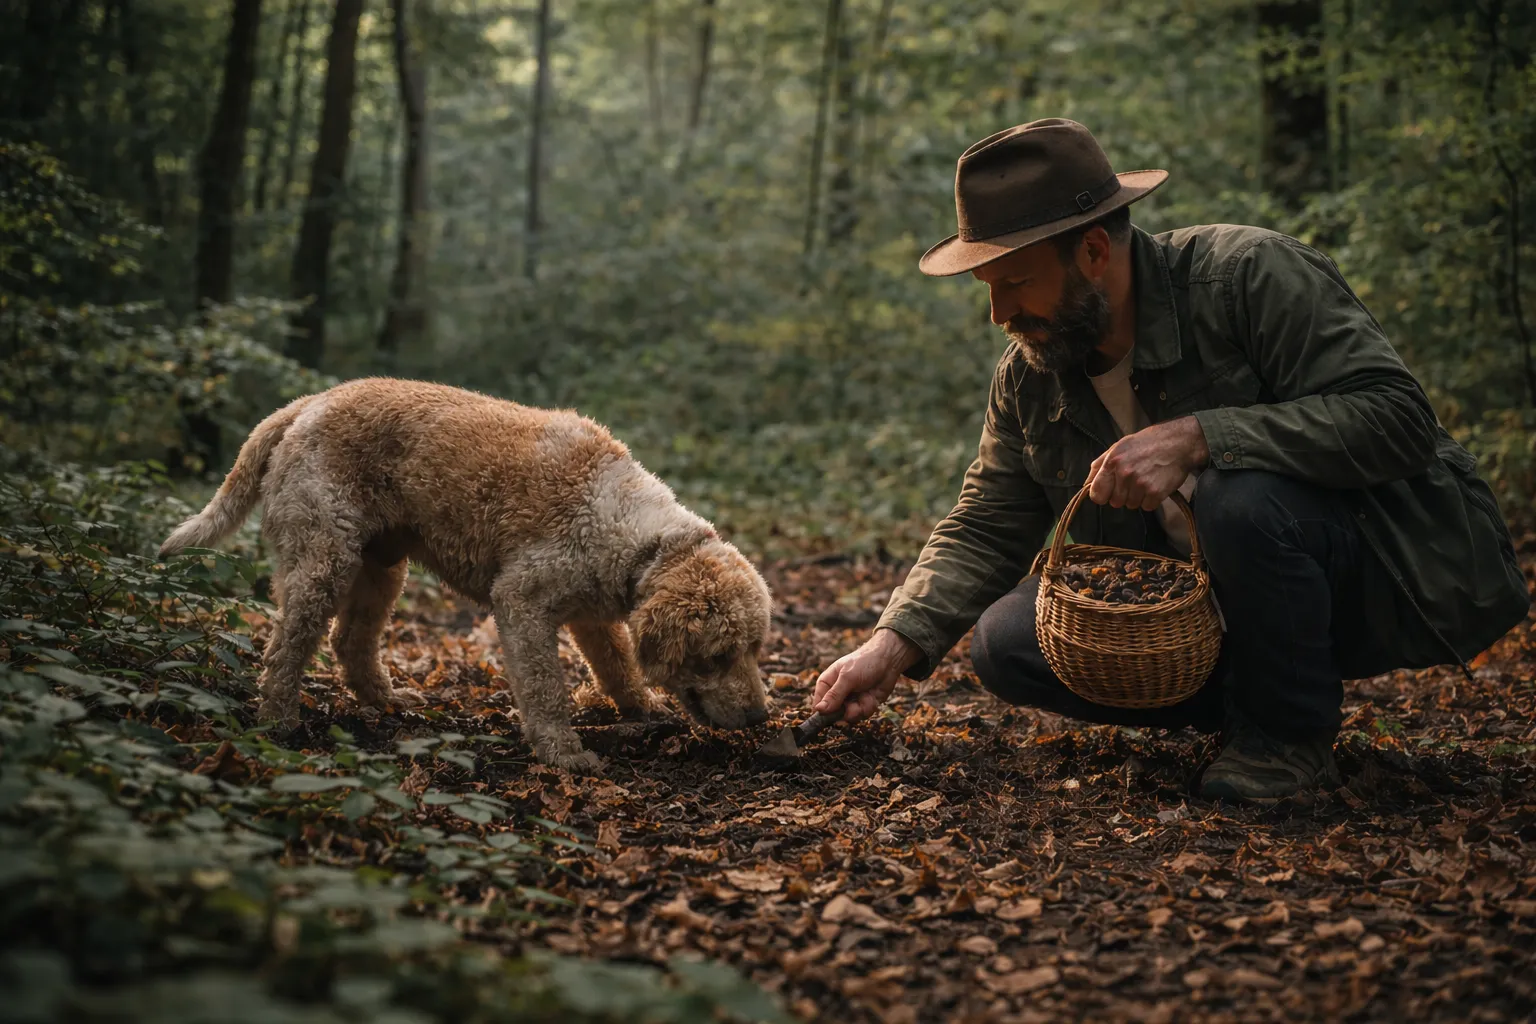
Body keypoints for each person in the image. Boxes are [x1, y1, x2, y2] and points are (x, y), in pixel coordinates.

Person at [811, 118, 1530, 801]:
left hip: (1366, 573)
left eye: (1016, 281)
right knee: (1007, 643)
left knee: (1237, 496)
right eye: (988, 288)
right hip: (1197, 615)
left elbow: (1396, 418)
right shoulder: (1031, 371)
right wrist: (891, 644)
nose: (999, 314)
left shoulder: (1250, 277)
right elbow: (987, 520)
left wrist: (1202, 436)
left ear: (1094, 251)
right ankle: (1250, 705)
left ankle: (1286, 738)